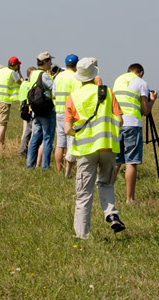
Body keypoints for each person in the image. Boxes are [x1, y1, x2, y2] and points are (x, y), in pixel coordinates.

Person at [64, 58, 125, 239]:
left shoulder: (73, 97)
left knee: (84, 194)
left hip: (85, 149)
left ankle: (82, 236)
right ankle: (111, 214)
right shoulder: (108, 93)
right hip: (107, 146)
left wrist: (79, 133)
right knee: (106, 183)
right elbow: (119, 120)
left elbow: (67, 129)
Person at [113, 63, 157, 204]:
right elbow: (145, 110)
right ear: (141, 72)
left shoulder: (118, 79)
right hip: (132, 124)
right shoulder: (141, 82)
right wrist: (153, 100)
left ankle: (106, 191)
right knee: (131, 161)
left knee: (116, 160)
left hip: (116, 123)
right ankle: (130, 198)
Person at [26, 52, 56, 170]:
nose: (51, 63)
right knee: (48, 138)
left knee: (35, 138)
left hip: (36, 110)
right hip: (46, 110)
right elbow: (54, 89)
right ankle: (45, 166)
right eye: (49, 61)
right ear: (45, 62)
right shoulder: (44, 75)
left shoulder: (33, 73)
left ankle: (30, 165)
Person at [53, 54, 81, 175]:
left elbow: (53, 94)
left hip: (58, 111)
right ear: (77, 64)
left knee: (60, 143)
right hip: (71, 114)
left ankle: (59, 169)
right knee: (71, 142)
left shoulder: (58, 77)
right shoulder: (76, 77)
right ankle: (69, 170)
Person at [0, 56, 23, 150]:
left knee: (0, 124)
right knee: (3, 125)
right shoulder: (12, 73)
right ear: (15, 65)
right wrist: (19, 72)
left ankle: (2, 146)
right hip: (4, 101)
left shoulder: (1, 70)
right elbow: (21, 83)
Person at [18, 66, 36, 157]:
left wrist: (19, 71)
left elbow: (22, 80)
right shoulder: (30, 85)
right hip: (29, 110)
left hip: (23, 110)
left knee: (25, 131)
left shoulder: (24, 84)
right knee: (29, 132)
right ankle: (27, 151)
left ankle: (23, 150)